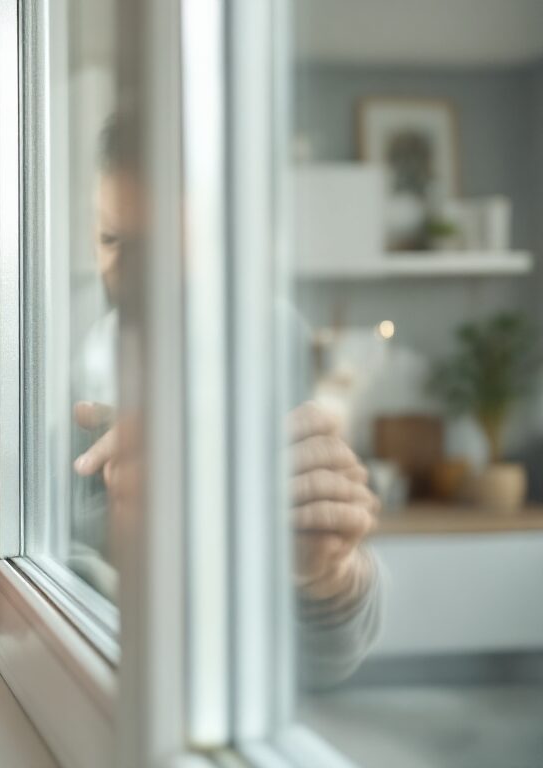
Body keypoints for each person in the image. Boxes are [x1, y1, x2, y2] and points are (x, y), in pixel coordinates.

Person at [72, 118, 382, 686]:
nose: (132, 277)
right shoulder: (50, 351)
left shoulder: (271, 337)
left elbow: (326, 659)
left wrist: (327, 577)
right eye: (113, 240)